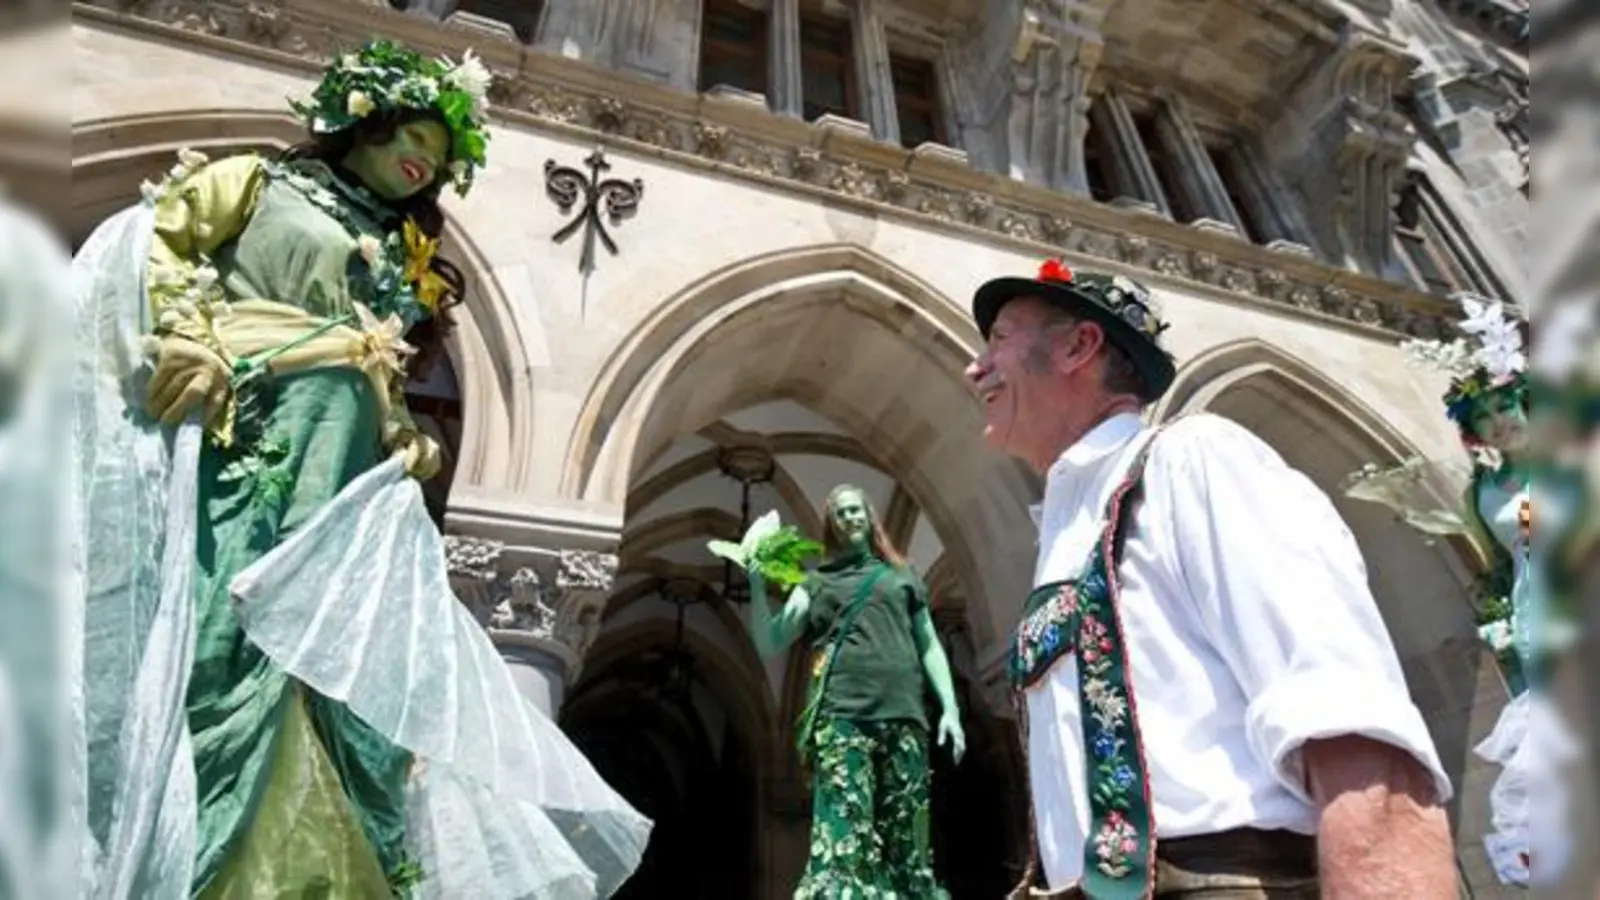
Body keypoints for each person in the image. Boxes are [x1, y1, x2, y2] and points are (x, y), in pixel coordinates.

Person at [71, 40, 649, 898]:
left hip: (343, 462)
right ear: (362, 124)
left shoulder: (397, 250)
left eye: (439, 157)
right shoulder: (260, 182)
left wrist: (401, 429)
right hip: (256, 425)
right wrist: (186, 331)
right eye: (411, 135)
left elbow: (377, 356)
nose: (422, 161)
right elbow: (163, 240)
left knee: (342, 675)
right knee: (228, 624)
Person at [962, 258, 1457, 898]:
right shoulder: (1068, 526)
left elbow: (1348, 722)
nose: (976, 368)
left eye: (999, 339)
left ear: (1079, 346)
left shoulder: (1193, 458)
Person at [744, 485, 965, 898]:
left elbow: (929, 643)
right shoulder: (816, 583)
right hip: (842, 717)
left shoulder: (902, 577)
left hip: (904, 716)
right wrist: (757, 588)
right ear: (831, 525)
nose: (849, 518)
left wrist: (950, 708)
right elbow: (771, 640)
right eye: (841, 514)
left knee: (908, 841)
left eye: (855, 510)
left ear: (869, 516)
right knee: (843, 837)